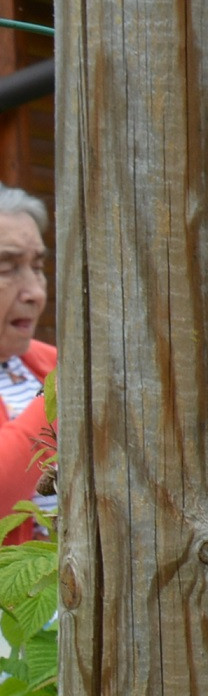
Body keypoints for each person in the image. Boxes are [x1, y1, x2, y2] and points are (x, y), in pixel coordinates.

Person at [0, 187, 52, 539]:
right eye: (7, 268)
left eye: (38, 267)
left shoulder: (51, 364)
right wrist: (64, 395)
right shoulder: (70, 377)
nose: (34, 292)